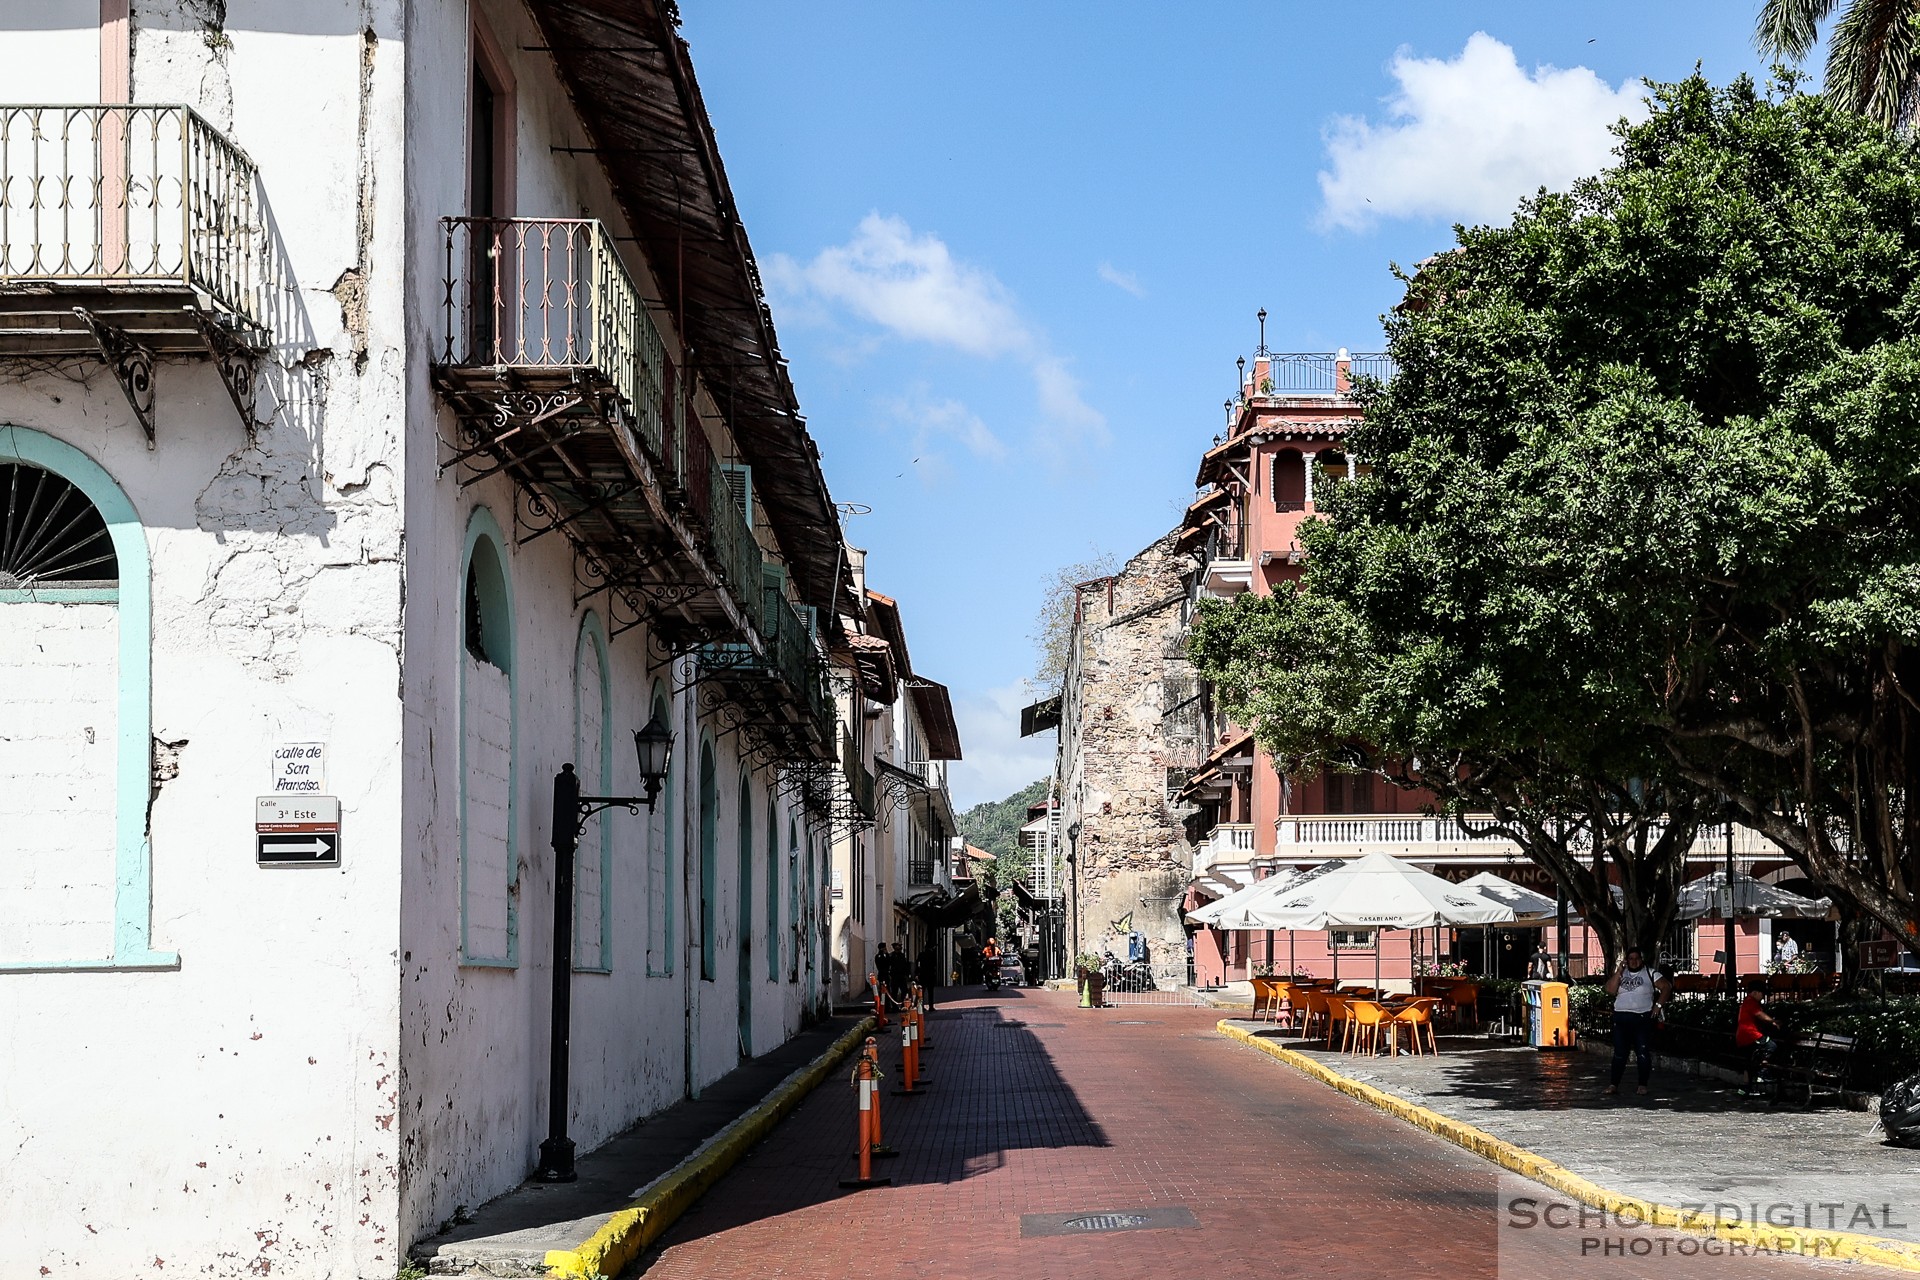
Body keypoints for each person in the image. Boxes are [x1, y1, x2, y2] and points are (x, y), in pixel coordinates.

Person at [1604, 945, 1671, 1096]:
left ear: (1641, 960)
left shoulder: (1650, 973)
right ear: (1626, 960)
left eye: (1637, 959)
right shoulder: (1622, 974)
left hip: (1642, 1018)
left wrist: (1658, 1006)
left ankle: (1642, 1085)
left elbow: (1666, 987)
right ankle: (1613, 1084)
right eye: (1631, 959)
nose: (1634, 962)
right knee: (1619, 1053)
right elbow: (1609, 990)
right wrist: (1619, 971)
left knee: (1642, 1052)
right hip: (1621, 1018)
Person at [1735, 988, 1779, 1095]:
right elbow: (1760, 1014)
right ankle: (1763, 1073)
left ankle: (1746, 1088)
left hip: (1742, 1036)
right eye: (1762, 993)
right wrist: (1773, 1022)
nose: (1763, 997)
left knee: (1749, 1062)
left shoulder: (1745, 1002)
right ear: (1755, 992)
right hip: (1751, 1034)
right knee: (1771, 1046)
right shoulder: (1751, 1002)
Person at [915, 944, 939, 1012]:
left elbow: (918, 964)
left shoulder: (921, 955)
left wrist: (917, 973)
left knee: (922, 992)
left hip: (923, 975)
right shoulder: (932, 955)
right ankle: (931, 1006)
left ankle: (921, 1006)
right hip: (930, 975)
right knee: (930, 992)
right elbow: (935, 964)